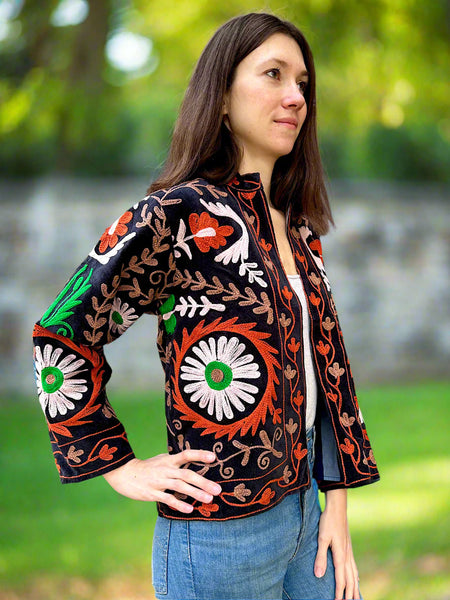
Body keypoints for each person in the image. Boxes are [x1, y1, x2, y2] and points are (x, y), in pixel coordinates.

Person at [33, 12, 379, 600]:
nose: (295, 95)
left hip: (307, 524)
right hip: (219, 539)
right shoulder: (174, 215)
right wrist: (118, 466)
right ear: (220, 96)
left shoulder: (298, 232)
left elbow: (331, 373)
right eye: (273, 74)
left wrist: (336, 509)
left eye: (302, 83)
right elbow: (61, 334)